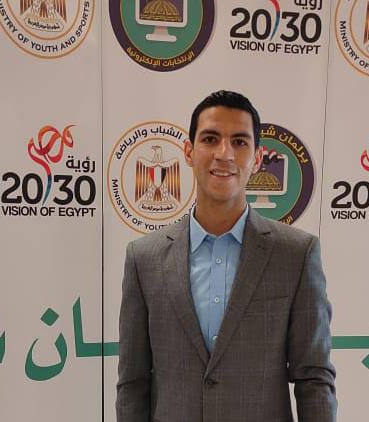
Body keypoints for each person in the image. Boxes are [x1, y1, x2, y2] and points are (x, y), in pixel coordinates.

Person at [116, 90, 337, 422]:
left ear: (257, 158)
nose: (224, 153)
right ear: (189, 151)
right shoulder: (143, 259)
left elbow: (314, 379)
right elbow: (133, 384)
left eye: (239, 142)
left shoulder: (295, 255)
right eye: (210, 139)